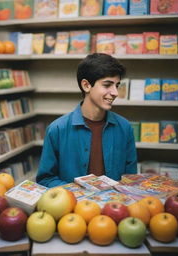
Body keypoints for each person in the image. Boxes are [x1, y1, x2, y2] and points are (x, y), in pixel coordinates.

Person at [36, 53, 137, 188]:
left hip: (115, 207)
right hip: (74, 207)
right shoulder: (57, 129)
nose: (115, 93)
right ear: (86, 85)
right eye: (107, 85)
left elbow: (131, 179)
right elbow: (45, 179)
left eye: (117, 85)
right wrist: (77, 192)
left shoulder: (125, 127)